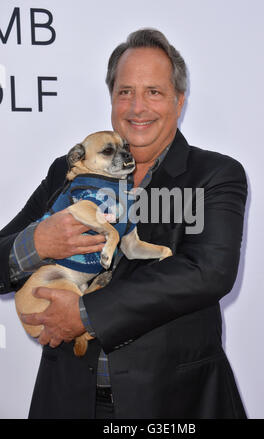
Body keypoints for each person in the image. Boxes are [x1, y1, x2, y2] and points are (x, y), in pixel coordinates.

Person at [0, 28, 248, 419]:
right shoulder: (68, 173)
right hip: (68, 400)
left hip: (175, 402)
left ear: (179, 101)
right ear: (111, 99)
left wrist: (85, 313)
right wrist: (39, 241)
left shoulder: (214, 175)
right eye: (125, 92)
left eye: (154, 92)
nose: (137, 107)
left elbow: (208, 272)